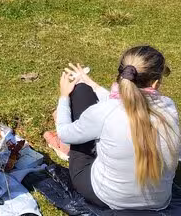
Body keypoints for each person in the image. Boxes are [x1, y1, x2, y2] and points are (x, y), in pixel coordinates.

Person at [51, 46, 180, 210]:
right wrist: (91, 82)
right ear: (155, 83)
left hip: (108, 198)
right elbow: (126, 103)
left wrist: (63, 97)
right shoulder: (169, 107)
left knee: (82, 92)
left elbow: (65, 134)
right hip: (160, 202)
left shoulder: (106, 112)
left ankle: (71, 149)